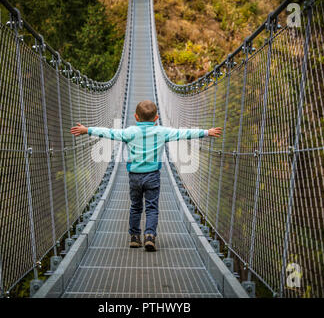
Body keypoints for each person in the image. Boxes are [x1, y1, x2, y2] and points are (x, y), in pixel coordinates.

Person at [70, 100, 222, 251]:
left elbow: (109, 133)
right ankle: (150, 236)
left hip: (134, 177)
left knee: (135, 207)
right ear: (156, 118)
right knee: (152, 208)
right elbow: (184, 133)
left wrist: (87, 130)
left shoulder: (130, 132)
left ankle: (135, 237)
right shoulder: (162, 132)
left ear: (136, 117)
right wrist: (207, 132)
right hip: (152, 176)